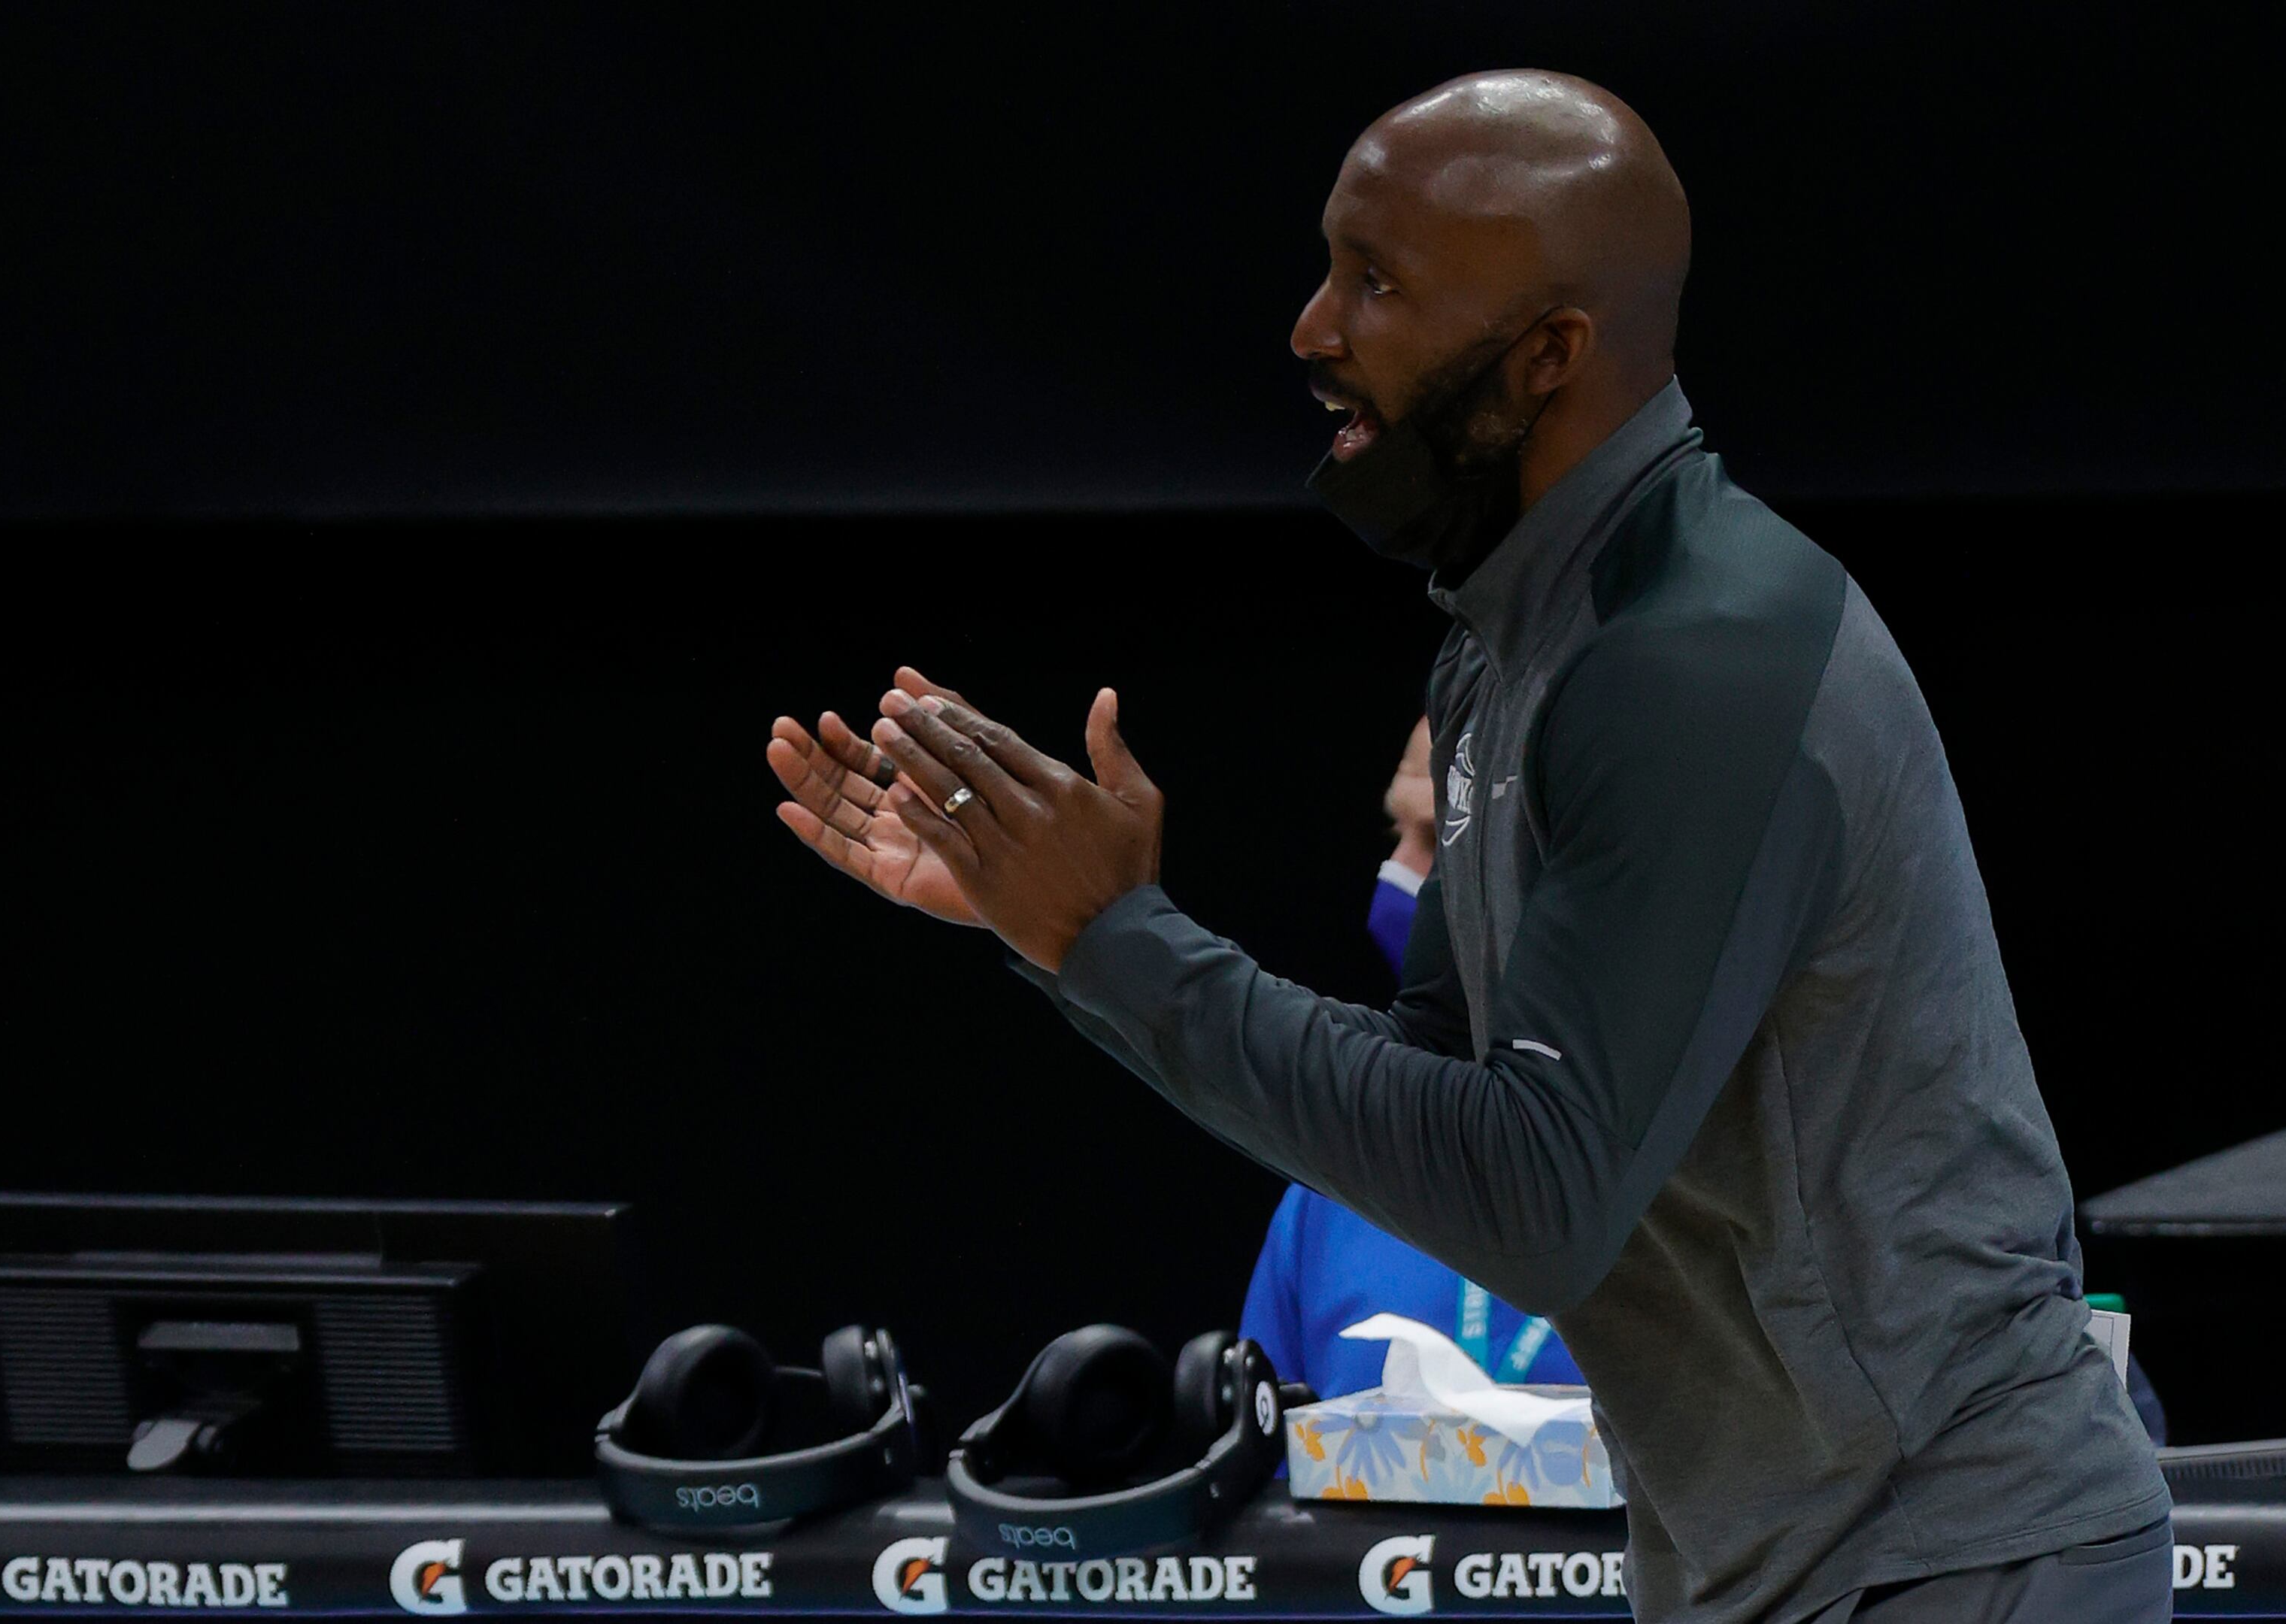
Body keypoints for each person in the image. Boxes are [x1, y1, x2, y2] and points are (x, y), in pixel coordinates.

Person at [767, 70, 2171, 1624]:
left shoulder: (1694, 653)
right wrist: (1065, 940)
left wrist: (1119, 944)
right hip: (1764, 1556)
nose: (1311, 330)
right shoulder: (1507, 647)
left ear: (1551, 353)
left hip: (1957, 1544)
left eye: (1374, 281)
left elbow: (1531, 1204)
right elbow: (1434, 1102)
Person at [1242, 718, 1586, 1403]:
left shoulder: (1739, 1184)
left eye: (1438, 839)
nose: (1397, 876)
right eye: (1395, 836)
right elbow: (1270, 1492)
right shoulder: (1332, 1190)